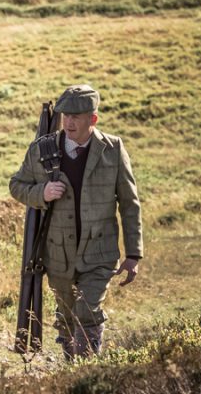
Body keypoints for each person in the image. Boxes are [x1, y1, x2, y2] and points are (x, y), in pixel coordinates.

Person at [9, 83, 142, 358]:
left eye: (76, 117)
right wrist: (41, 193)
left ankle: (86, 369)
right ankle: (72, 370)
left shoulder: (113, 149)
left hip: (100, 253)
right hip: (57, 254)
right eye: (65, 115)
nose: (68, 122)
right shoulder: (42, 150)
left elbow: (129, 204)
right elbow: (17, 185)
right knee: (67, 313)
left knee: (88, 310)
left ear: (92, 119)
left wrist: (133, 254)